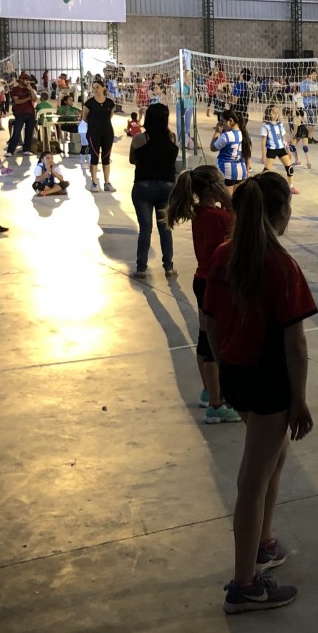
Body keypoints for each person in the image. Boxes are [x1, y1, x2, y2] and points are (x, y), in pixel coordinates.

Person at [202, 173, 316, 613]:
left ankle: (264, 543)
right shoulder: (280, 265)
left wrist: (226, 365)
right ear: (281, 212)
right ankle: (244, 585)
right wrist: (299, 400)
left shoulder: (223, 255)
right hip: (269, 383)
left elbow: (209, 321)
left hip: (237, 376)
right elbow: (295, 343)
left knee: (274, 457)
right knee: (252, 481)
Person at [166, 165, 241, 424]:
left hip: (203, 279)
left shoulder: (200, 212)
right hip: (217, 283)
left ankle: (210, 390)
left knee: (204, 335)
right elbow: (241, 229)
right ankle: (216, 405)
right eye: (221, 182)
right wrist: (230, 203)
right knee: (214, 342)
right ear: (212, 188)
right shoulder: (219, 216)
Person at [129, 101, 180, 278]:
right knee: (165, 227)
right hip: (167, 186)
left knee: (145, 228)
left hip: (144, 185)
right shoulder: (172, 138)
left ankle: (141, 268)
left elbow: (132, 160)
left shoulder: (139, 139)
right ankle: (169, 267)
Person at [82, 81, 118, 191]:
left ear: (103, 88)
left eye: (97, 87)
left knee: (106, 157)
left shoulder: (110, 103)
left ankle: (107, 182)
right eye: (93, 88)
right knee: (94, 157)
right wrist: (94, 125)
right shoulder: (89, 103)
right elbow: (84, 118)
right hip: (94, 133)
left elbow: (110, 116)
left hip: (107, 133)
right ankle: (94, 183)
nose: (95, 89)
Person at [260, 105, 300, 195]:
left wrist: (288, 150)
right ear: (268, 113)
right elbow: (263, 142)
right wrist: (263, 155)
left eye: (277, 113)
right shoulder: (265, 126)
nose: (276, 115)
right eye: (274, 113)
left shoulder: (280, 125)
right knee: (266, 171)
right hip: (272, 149)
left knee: (289, 168)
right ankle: (260, 186)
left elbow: (284, 138)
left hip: (281, 148)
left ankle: (291, 187)